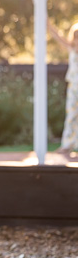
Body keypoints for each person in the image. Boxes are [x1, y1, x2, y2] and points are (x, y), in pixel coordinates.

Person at [48, 19, 78, 156]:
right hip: (74, 86)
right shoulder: (71, 49)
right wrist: (48, 24)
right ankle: (67, 145)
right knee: (71, 115)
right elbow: (58, 37)